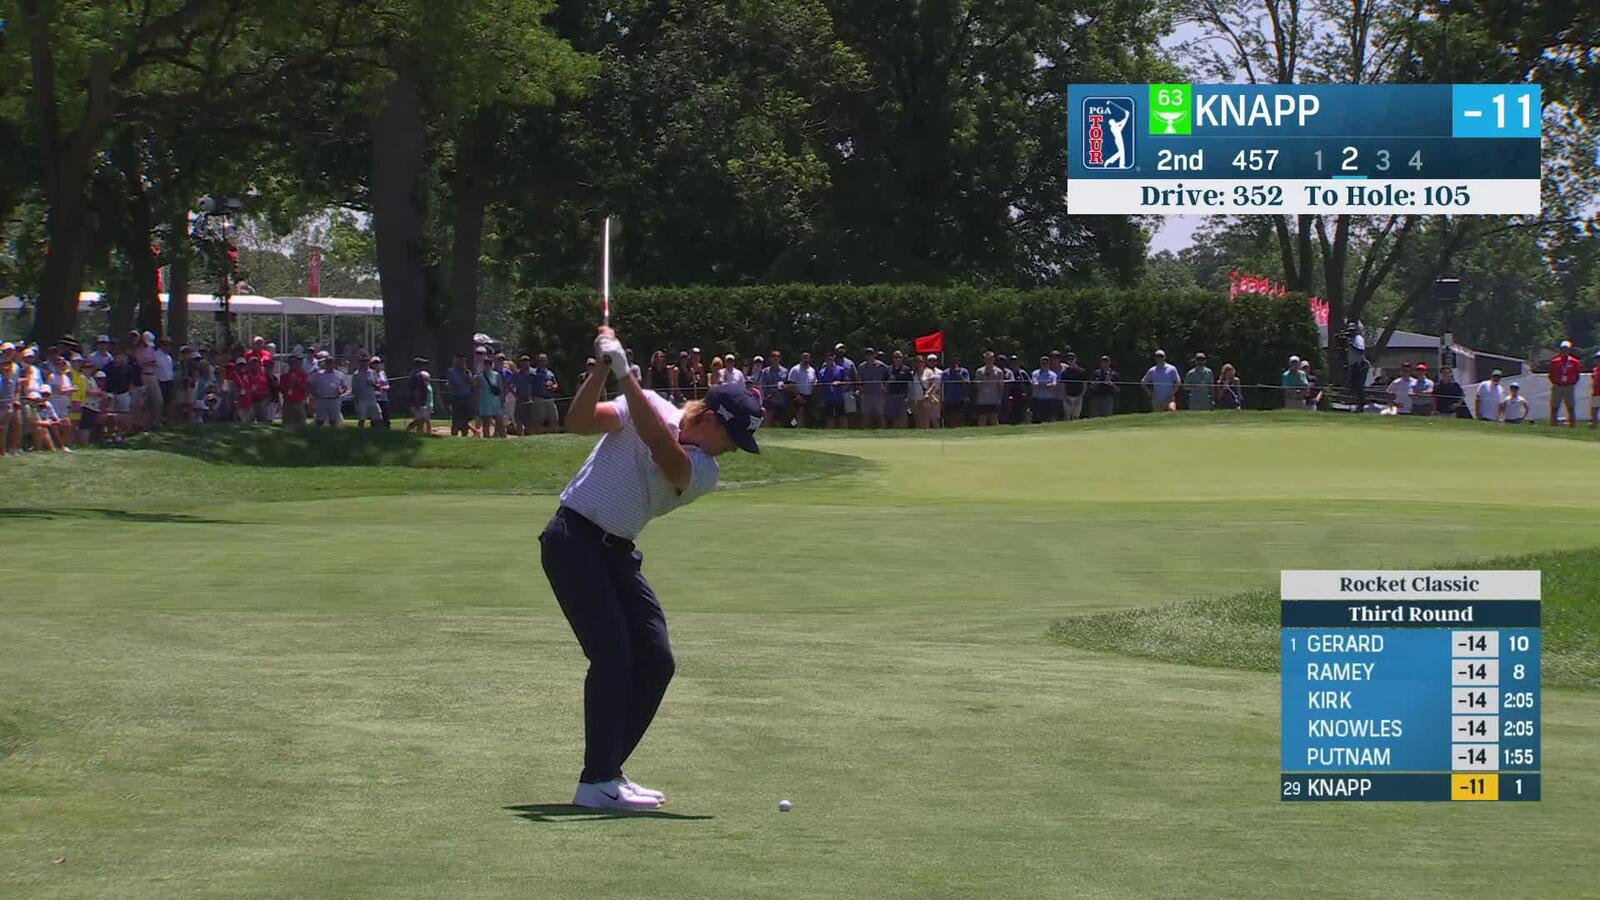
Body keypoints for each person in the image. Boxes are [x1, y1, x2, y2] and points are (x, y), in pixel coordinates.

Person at [542, 326, 760, 811]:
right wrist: (601, 371)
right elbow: (579, 421)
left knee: (656, 660)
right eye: (732, 439)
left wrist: (625, 374)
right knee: (614, 657)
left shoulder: (704, 471)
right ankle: (598, 781)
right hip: (573, 540)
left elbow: (664, 450)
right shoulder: (650, 405)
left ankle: (605, 773)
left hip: (616, 552)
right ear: (709, 418)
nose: (731, 451)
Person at [1548, 339, 1581, 427]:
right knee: (1554, 407)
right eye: (1562, 349)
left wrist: (1571, 382)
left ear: (1569, 350)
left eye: (1566, 349)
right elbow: (1551, 374)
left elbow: (1577, 375)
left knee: (1571, 407)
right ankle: (1553, 425)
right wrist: (1556, 382)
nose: (1564, 351)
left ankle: (1572, 426)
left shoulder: (1575, 362)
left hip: (1569, 386)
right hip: (1557, 386)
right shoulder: (1555, 361)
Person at [527, 353, 561, 434]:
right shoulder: (533, 373)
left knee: (554, 418)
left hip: (550, 399)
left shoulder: (550, 373)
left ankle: (555, 435)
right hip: (538, 398)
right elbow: (529, 386)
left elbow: (556, 384)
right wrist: (529, 398)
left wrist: (553, 387)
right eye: (541, 360)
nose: (542, 362)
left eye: (544, 360)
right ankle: (537, 435)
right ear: (537, 361)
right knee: (539, 419)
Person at [310, 355, 347, 427]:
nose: (329, 364)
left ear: (334, 364)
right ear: (325, 364)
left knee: (333, 420)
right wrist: (314, 393)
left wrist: (341, 391)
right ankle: (317, 432)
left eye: (331, 362)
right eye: (327, 362)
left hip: (334, 400)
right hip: (322, 399)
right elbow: (310, 385)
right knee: (319, 420)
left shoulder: (340, 374)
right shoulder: (318, 374)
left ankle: (332, 432)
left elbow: (345, 387)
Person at [817, 350, 851, 429]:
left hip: (839, 398)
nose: (829, 359)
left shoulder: (840, 369)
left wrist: (839, 382)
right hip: (828, 398)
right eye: (827, 358)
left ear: (834, 358)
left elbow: (847, 382)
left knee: (842, 416)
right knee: (829, 417)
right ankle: (831, 432)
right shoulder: (822, 372)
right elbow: (820, 385)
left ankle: (844, 432)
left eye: (831, 357)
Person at [970, 351, 1004, 427]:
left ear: (993, 359)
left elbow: (1001, 386)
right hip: (982, 399)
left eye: (990, 358)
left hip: (994, 399)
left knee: (994, 419)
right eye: (987, 358)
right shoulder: (979, 371)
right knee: (982, 419)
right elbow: (976, 385)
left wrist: (999, 398)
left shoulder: (999, 371)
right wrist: (983, 381)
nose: (989, 360)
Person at [858, 349, 890, 428]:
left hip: (879, 394)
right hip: (866, 394)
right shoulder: (861, 367)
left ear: (874, 355)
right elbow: (859, 380)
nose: (869, 356)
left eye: (871, 354)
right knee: (866, 415)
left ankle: (882, 431)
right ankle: (867, 431)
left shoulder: (881, 365)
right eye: (867, 354)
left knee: (880, 415)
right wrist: (860, 388)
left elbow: (889, 376)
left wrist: (885, 386)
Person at [447, 352, 476, 436]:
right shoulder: (451, 371)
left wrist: (469, 377)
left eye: (463, 361)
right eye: (460, 360)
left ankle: (464, 435)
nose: (462, 362)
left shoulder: (467, 372)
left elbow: (472, 384)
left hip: (466, 397)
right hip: (456, 398)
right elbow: (454, 383)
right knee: (456, 420)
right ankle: (454, 435)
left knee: (465, 420)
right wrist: (462, 381)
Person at [477, 353, 506, 437]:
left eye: (489, 364)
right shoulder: (480, 376)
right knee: (486, 423)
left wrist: (502, 400)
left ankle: (503, 438)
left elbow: (500, 388)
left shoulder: (496, 375)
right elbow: (477, 389)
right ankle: (487, 439)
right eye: (486, 364)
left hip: (495, 401)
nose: (488, 366)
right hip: (485, 401)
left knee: (500, 421)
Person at [757, 350, 788, 428]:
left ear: (780, 358)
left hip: (780, 400)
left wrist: (785, 387)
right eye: (774, 356)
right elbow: (762, 385)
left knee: (778, 423)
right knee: (768, 421)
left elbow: (788, 385)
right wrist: (765, 395)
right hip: (769, 400)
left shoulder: (785, 371)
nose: (776, 358)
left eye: (778, 356)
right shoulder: (765, 371)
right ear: (770, 358)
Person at [940, 353, 971, 428]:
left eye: (957, 360)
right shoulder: (945, 372)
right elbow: (942, 386)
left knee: (959, 419)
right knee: (949, 419)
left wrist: (958, 374)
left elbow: (967, 384)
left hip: (960, 399)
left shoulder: (964, 371)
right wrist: (942, 399)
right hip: (948, 399)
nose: (955, 361)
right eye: (954, 360)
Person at [912, 354, 941, 428]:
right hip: (916, 399)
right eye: (917, 362)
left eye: (921, 361)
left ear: (924, 362)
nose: (919, 363)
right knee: (917, 418)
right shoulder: (913, 373)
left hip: (926, 398)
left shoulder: (928, 372)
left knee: (926, 418)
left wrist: (928, 392)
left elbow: (933, 384)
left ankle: (926, 432)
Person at [280, 355, 310, 426]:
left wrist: (296, 381)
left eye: (294, 363)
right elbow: (282, 389)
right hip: (288, 403)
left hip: (299, 402)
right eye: (290, 363)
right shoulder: (284, 376)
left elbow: (305, 387)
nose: (292, 364)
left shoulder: (304, 375)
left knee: (300, 423)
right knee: (287, 423)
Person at [886, 350, 913, 428]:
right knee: (894, 416)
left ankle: (904, 430)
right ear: (893, 358)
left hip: (903, 395)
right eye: (896, 357)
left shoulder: (906, 369)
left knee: (903, 414)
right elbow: (884, 382)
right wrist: (888, 382)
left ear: (902, 358)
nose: (898, 359)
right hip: (891, 395)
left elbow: (910, 384)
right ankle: (896, 430)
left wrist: (909, 396)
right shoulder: (888, 369)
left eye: (899, 357)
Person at [408, 356, 434, 434]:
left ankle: (419, 433)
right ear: (418, 365)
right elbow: (416, 390)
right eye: (422, 364)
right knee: (420, 420)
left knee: (421, 420)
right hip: (418, 402)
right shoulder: (417, 376)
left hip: (421, 401)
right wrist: (417, 403)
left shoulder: (417, 375)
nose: (424, 366)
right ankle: (409, 431)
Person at [1030, 356, 1060, 423]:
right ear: (1040, 364)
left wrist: (1041, 385)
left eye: (1047, 363)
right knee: (1037, 420)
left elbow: (1054, 385)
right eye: (1043, 363)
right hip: (1038, 400)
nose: (1045, 365)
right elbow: (1035, 384)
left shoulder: (1053, 374)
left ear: (1049, 364)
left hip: (1049, 400)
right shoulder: (1035, 373)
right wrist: (1048, 385)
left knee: (1049, 419)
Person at [1059, 352, 1087, 421]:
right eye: (1069, 359)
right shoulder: (1064, 372)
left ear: (1075, 359)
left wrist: (1080, 397)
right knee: (1067, 416)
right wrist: (1065, 397)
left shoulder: (1082, 371)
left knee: (1076, 416)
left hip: (1078, 397)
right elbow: (1062, 386)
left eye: (1072, 359)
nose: (1070, 361)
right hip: (1067, 397)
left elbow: (1084, 385)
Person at [1591, 351, 1600, 429]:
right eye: (1596, 358)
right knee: (1594, 411)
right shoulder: (1595, 370)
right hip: (1596, 393)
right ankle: (1594, 426)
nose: (1597, 360)